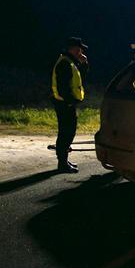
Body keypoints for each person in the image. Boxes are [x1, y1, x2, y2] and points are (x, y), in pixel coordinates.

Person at [51, 37, 89, 173]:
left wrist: (83, 64)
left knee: (68, 132)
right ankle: (62, 163)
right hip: (64, 104)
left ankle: (64, 161)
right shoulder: (65, 63)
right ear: (73, 48)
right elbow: (63, 87)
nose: (82, 51)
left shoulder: (71, 62)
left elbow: (80, 80)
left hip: (66, 103)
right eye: (79, 48)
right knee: (66, 133)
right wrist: (69, 102)